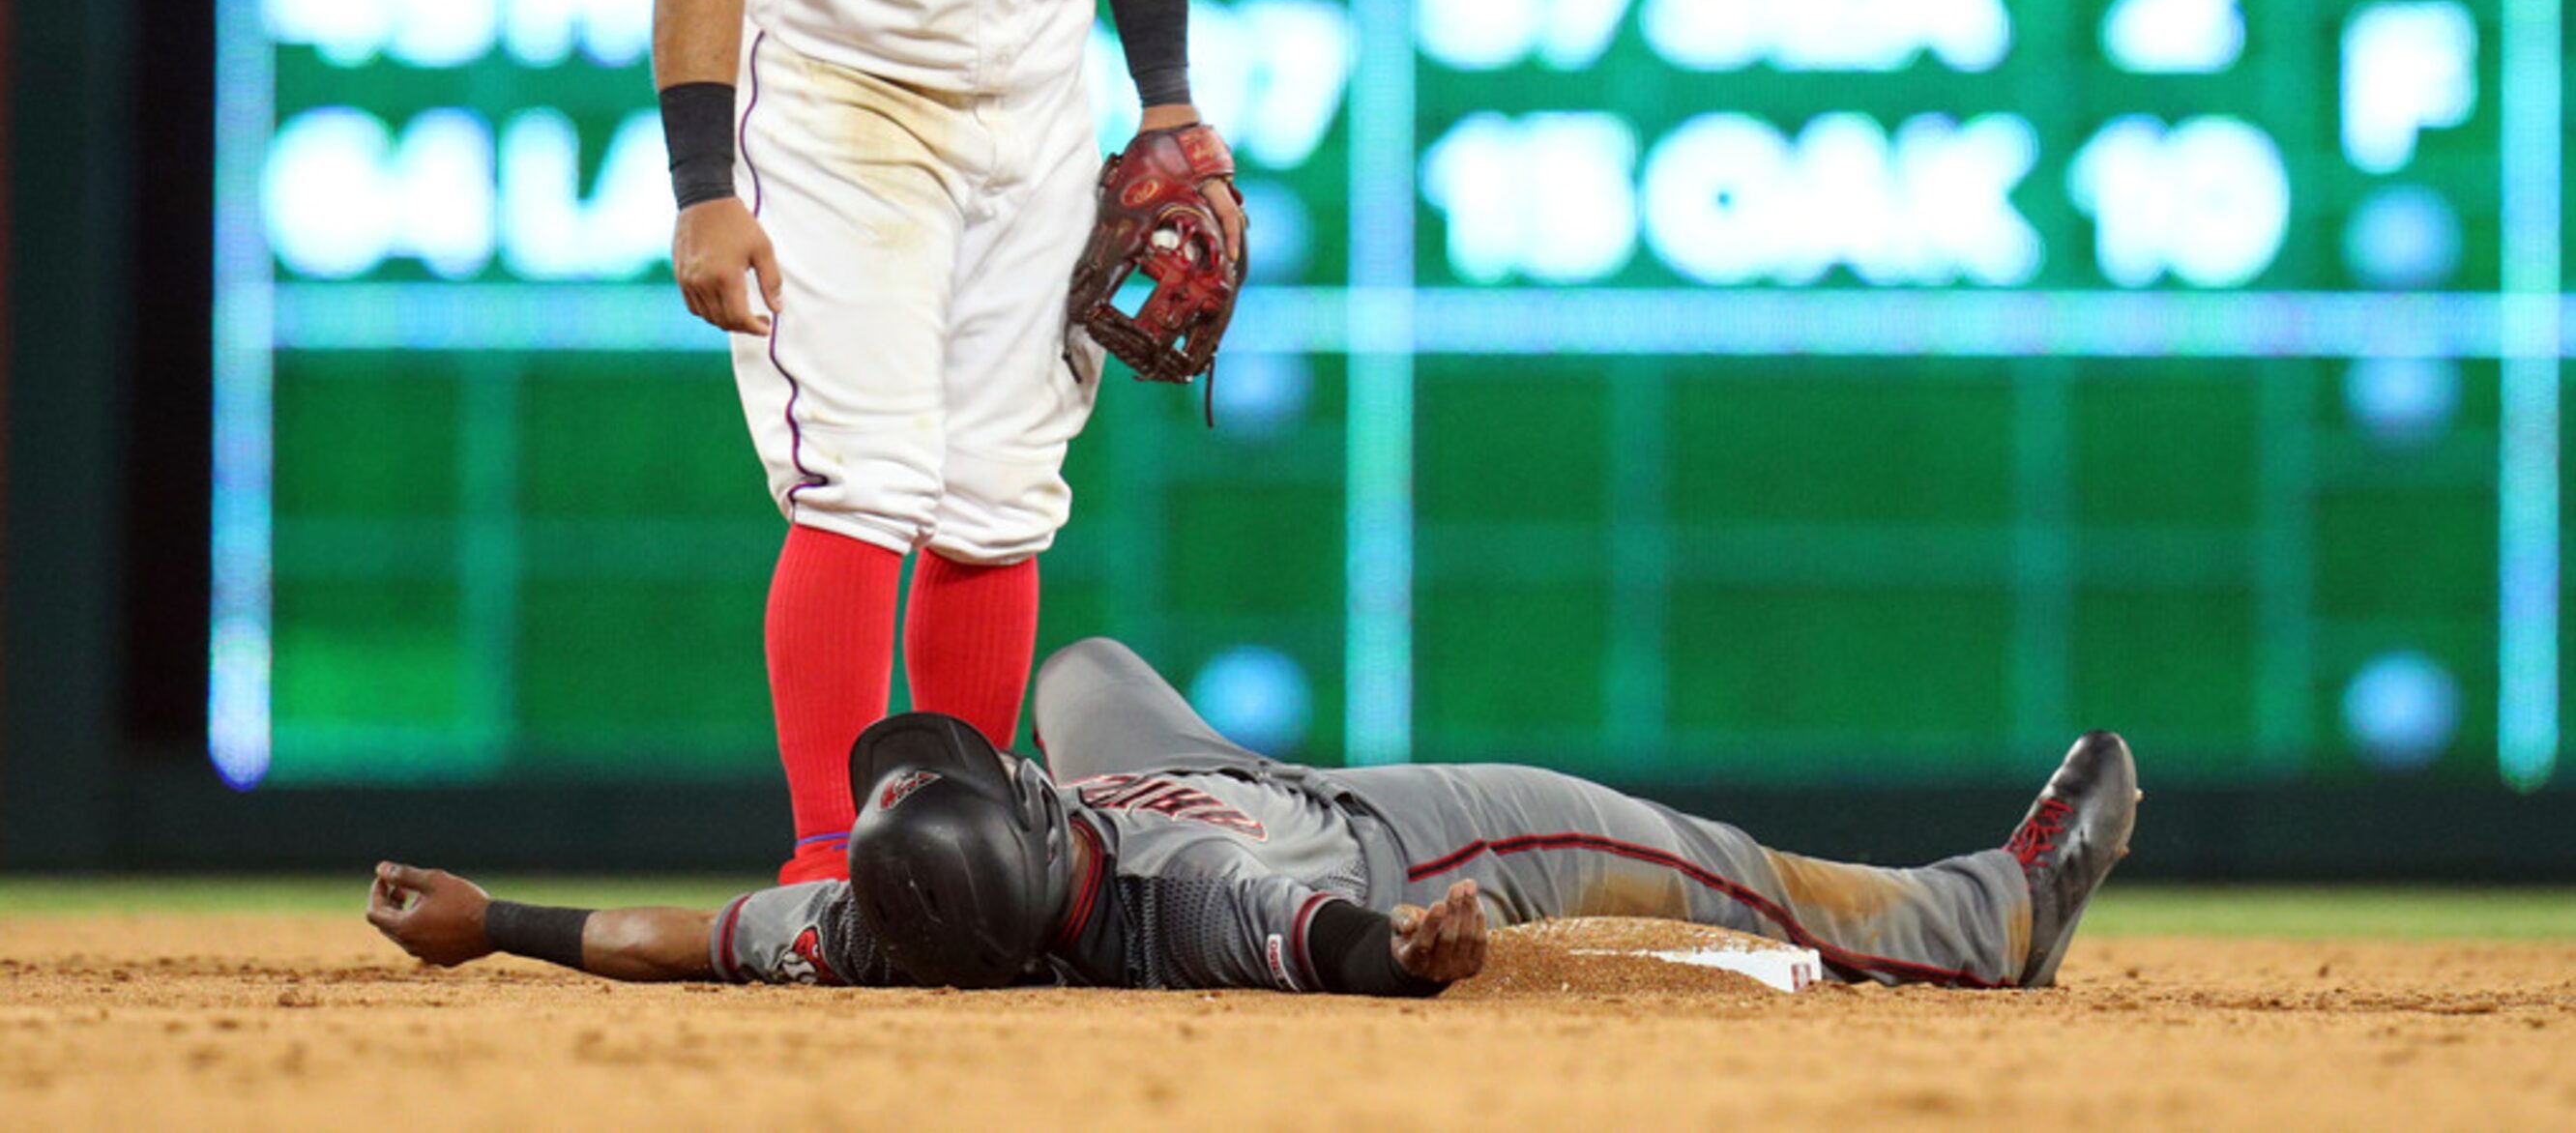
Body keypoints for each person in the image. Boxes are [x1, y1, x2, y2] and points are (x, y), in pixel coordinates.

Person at [649, 0, 1244, 886]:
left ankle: (957, 861)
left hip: (1036, 98)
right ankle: (827, 869)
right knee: (861, 476)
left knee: (996, 489)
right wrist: (704, 187)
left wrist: (1166, 101)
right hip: (847, 110)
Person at [367, 639, 2139, 996]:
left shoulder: (881, 931)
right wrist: (1426, 947)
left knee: (1086, 661)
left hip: (1195, 764)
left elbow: (680, 939)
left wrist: (494, 918)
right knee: (1707, 861)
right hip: (1385, 829)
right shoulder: (1190, 902)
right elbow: (1330, 942)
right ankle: (1976, 915)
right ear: (1031, 822)